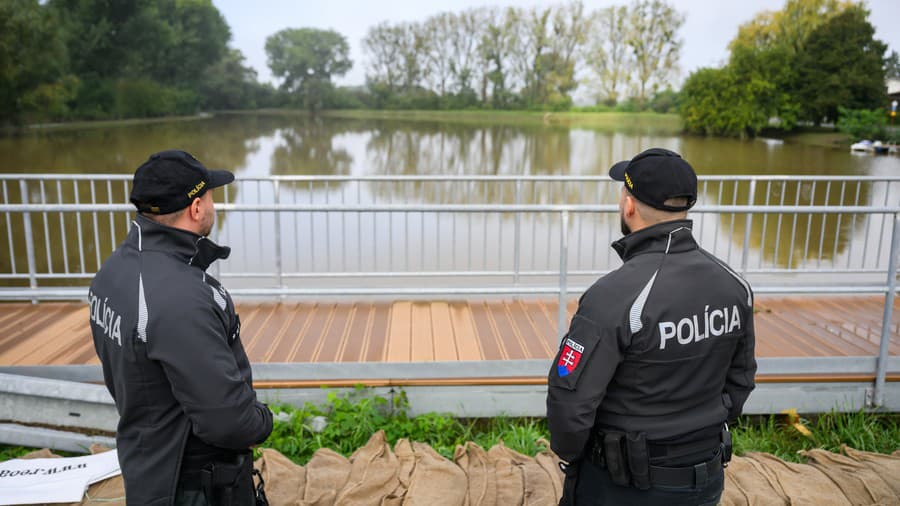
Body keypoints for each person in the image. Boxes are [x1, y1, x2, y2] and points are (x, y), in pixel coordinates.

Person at [546, 148, 757, 506]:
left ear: (628, 205)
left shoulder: (613, 296)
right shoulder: (734, 284)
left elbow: (570, 399)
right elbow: (741, 380)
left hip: (621, 487)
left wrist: (573, 454)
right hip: (704, 477)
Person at [89, 150, 273, 506]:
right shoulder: (182, 299)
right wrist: (261, 421)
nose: (214, 204)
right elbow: (227, 422)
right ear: (196, 208)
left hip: (146, 457)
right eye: (210, 196)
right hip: (192, 483)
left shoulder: (112, 272)